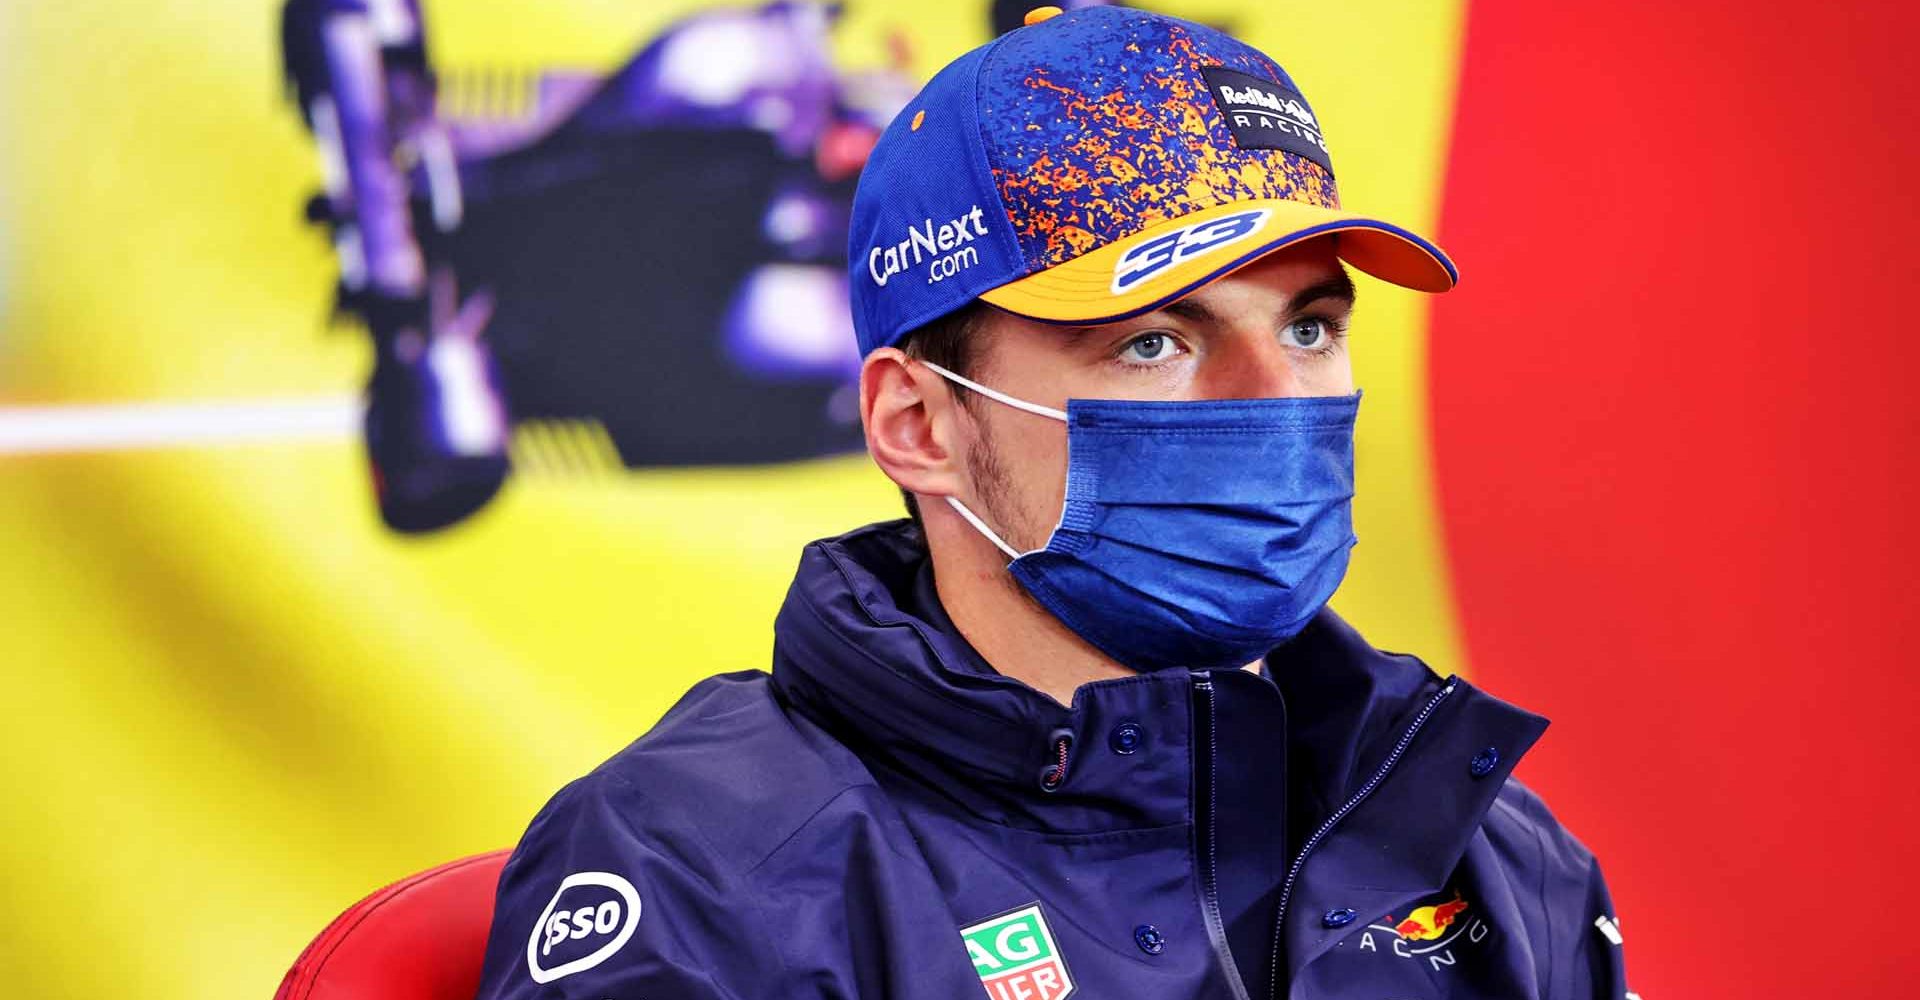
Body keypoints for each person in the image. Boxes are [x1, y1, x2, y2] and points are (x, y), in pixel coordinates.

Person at [474, 6, 1632, 998]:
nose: (1278, 399)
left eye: (1310, 327)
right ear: (919, 424)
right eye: (1156, 341)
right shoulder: (705, 876)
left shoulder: (1482, 846)